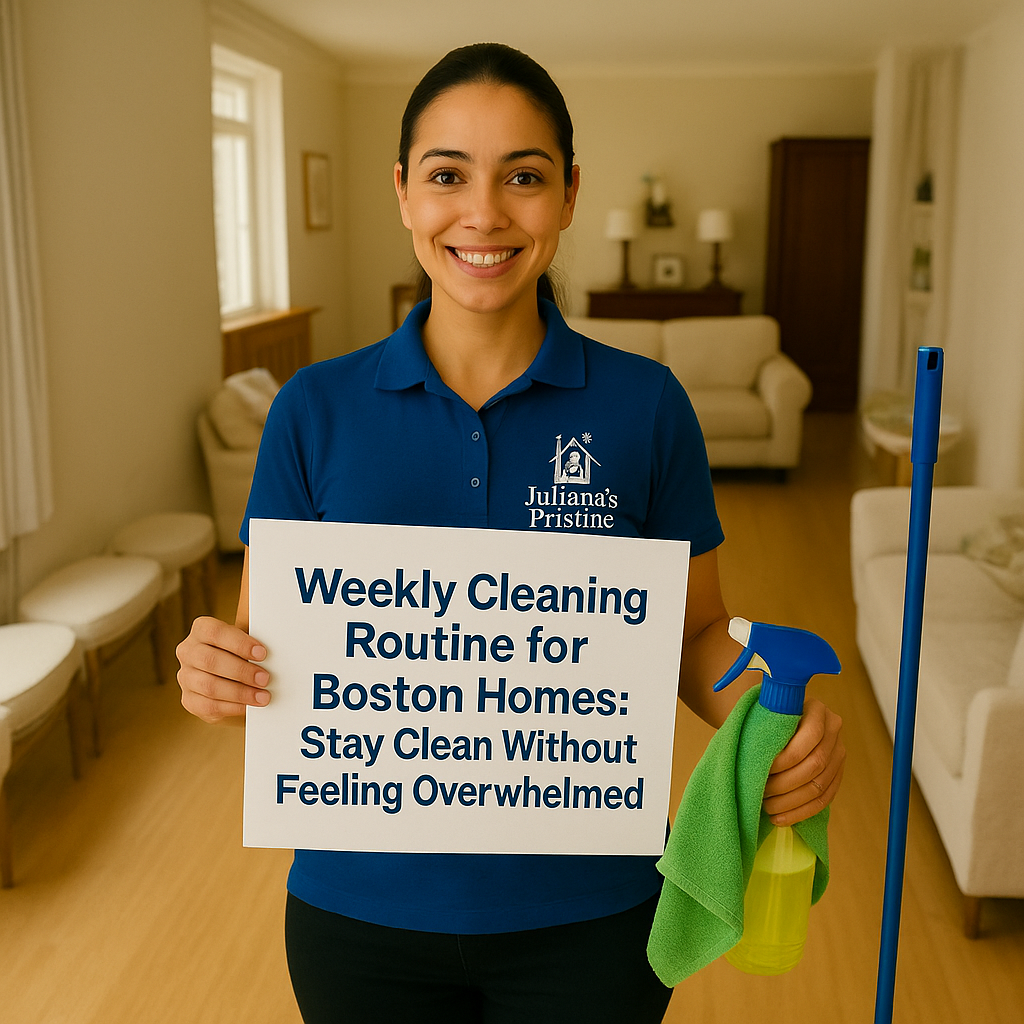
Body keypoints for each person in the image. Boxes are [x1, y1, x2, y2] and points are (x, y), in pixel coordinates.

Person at [177, 42, 844, 1024]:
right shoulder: (311, 412)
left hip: (596, 912)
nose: (483, 214)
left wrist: (770, 726)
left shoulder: (647, 406)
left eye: (522, 177)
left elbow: (695, 636)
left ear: (569, 194)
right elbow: (264, 651)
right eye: (447, 175)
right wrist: (215, 670)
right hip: (360, 912)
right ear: (403, 193)